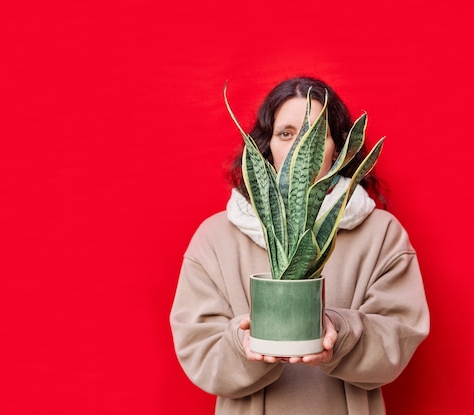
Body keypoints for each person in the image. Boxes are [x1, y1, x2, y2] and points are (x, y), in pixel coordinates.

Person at [170, 76, 430, 415]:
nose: (298, 147)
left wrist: (341, 334)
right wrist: (243, 343)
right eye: (286, 133)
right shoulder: (215, 238)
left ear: (338, 148)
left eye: (314, 134)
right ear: (266, 146)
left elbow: (399, 340)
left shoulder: (381, 234)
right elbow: (199, 350)